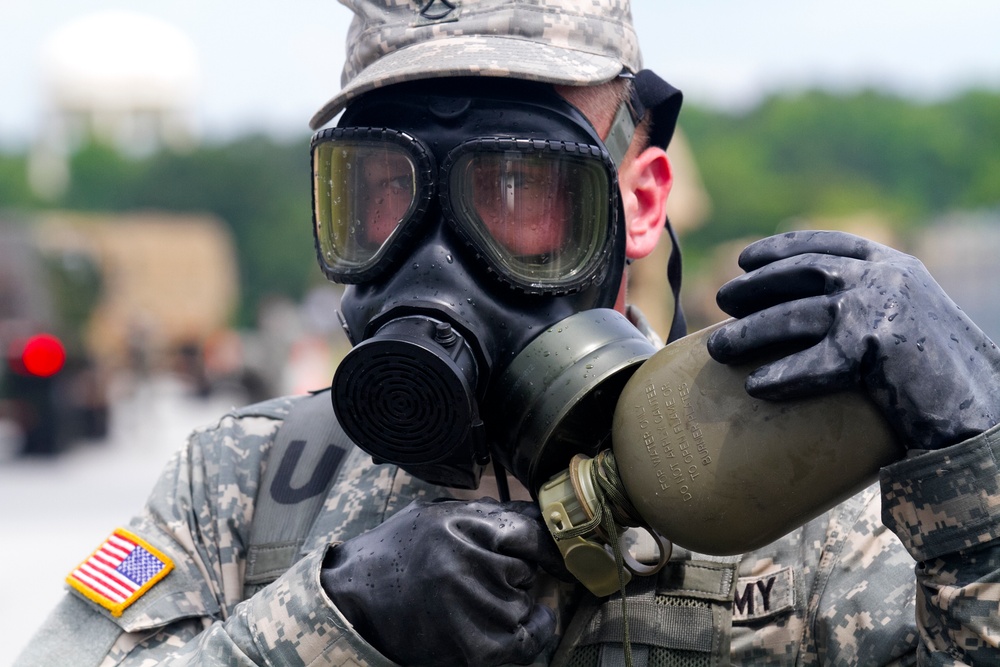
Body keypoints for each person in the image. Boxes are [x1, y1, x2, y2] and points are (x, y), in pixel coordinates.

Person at [16, 0, 1000, 665]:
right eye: (382, 190)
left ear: (639, 201)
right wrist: (335, 619)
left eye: (517, 185)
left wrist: (973, 484)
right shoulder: (249, 488)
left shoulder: (792, 497)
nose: (433, 250)